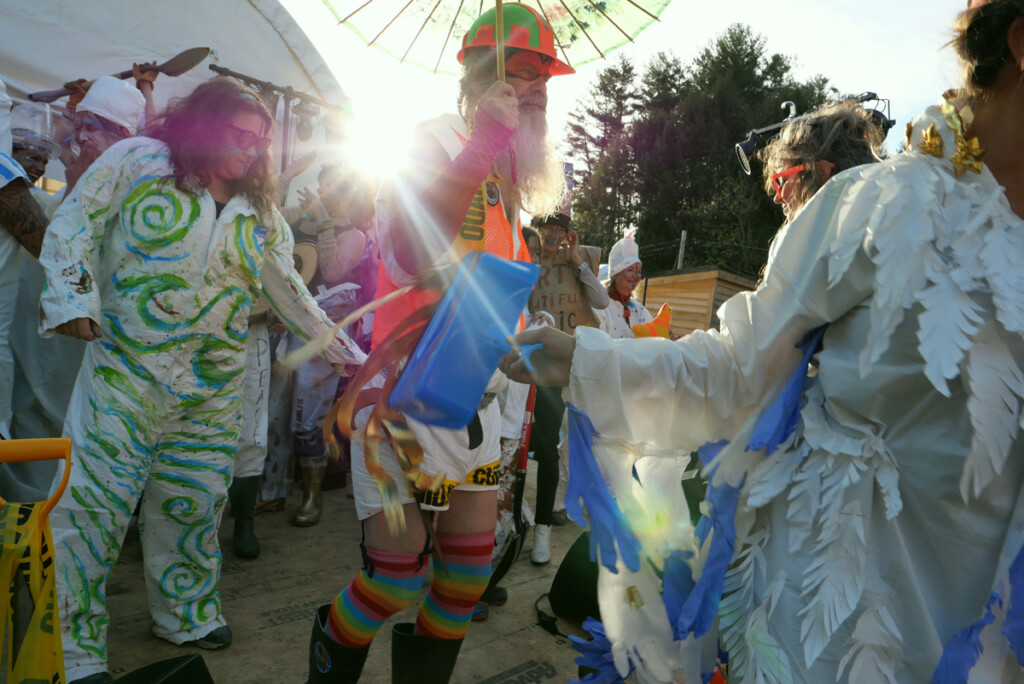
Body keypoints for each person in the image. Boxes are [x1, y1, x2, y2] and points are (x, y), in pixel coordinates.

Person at [502, 2, 1024, 681]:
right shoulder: (886, 202)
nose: (782, 193)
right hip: (830, 640)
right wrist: (590, 360)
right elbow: (739, 373)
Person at [38, 78, 363, 684]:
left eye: (259, 141)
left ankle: (185, 614)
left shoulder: (260, 207)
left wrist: (343, 349)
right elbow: (75, 222)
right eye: (237, 134)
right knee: (91, 510)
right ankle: (73, 645)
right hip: (125, 375)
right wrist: (74, 295)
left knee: (192, 504)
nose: (248, 149)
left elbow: (287, 288)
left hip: (212, 387)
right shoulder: (137, 162)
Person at [303, 5, 570, 683]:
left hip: (478, 404)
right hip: (405, 401)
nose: (539, 85)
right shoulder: (436, 140)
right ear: (481, 72)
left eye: (547, 74)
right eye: (524, 69)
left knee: (464, 581)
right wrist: (479, 146)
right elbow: (412, 248)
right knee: (394, 579)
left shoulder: (516, 179)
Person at [289, 161, 370, 526]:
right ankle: (272, 490)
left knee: (311, 411)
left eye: (336, 187)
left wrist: (323, 222)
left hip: (325, 333)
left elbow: (335, 271)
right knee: (278, 411)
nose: (328, 193)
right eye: (324, 186)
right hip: (287, 324)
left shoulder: (355, 234)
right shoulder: (304, 220)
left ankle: (313, 496)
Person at [527, 212, 608, 563]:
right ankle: (511, 518)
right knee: (514, 445)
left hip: (562, 369)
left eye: (559, 230)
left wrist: (577, 263)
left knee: (549, 448)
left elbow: (601, 302)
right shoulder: (527, 263)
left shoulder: (577, 263)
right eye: (547, 230)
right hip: (526, 363)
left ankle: (542, 528)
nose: (552, 236)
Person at [594, 229, 653, 339]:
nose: (635, 276)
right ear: (614, 275)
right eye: (630, 270)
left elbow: (653, 334)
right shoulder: (601, 308)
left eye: (639, 271)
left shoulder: (638, 309)